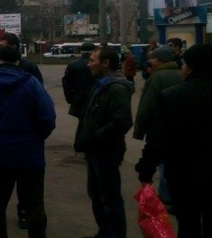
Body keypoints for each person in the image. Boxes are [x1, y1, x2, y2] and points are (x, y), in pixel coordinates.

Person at [0, 45, 56, 238]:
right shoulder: (32, 83)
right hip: (30, 155)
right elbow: (48, 118)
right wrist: (35, 138)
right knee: (34, 205)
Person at [135, 43, 212, 238]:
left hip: (184, 174)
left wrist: (146, 169)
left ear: (192, 67)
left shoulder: (173, 96)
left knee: (188, 223)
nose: (182, 68)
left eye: (184, 64)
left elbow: (158, 138)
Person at [74, 47, 133, 238]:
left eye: (92, 60)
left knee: (109, 198)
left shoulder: (116, 88)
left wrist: (95, 136)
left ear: (105, 63)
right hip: (95, 151)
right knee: (97, 195)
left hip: (106, 151)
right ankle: (105, 233)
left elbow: (122, 121)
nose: (88, 64)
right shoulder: (100, 84)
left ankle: (115, 234)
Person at [0, 32, 43, 230]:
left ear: (14, 49)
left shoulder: (29, 71)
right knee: (6, 193)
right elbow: (46, 115)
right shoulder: (30, 81)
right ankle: (1, 218)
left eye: (3, 47)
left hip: (2, 147)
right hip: (28, 148)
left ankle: (21, 214)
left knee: (19, 193)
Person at [132, 44, 183, 206]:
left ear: (160, 60)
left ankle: (166, 197)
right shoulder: (181, 73)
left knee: (161, 163)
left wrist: (139, 131)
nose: (151, 61)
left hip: (159, 129)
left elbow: (146, 106)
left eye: (153, 58)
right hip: (180, 127)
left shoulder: (157, 78)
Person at [62, 42, 96, 118]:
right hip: (96, 99)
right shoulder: (98, 65)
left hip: (79, 101)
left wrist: (70, 98)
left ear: (81, 52)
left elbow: (66, 84)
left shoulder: (73, 65)